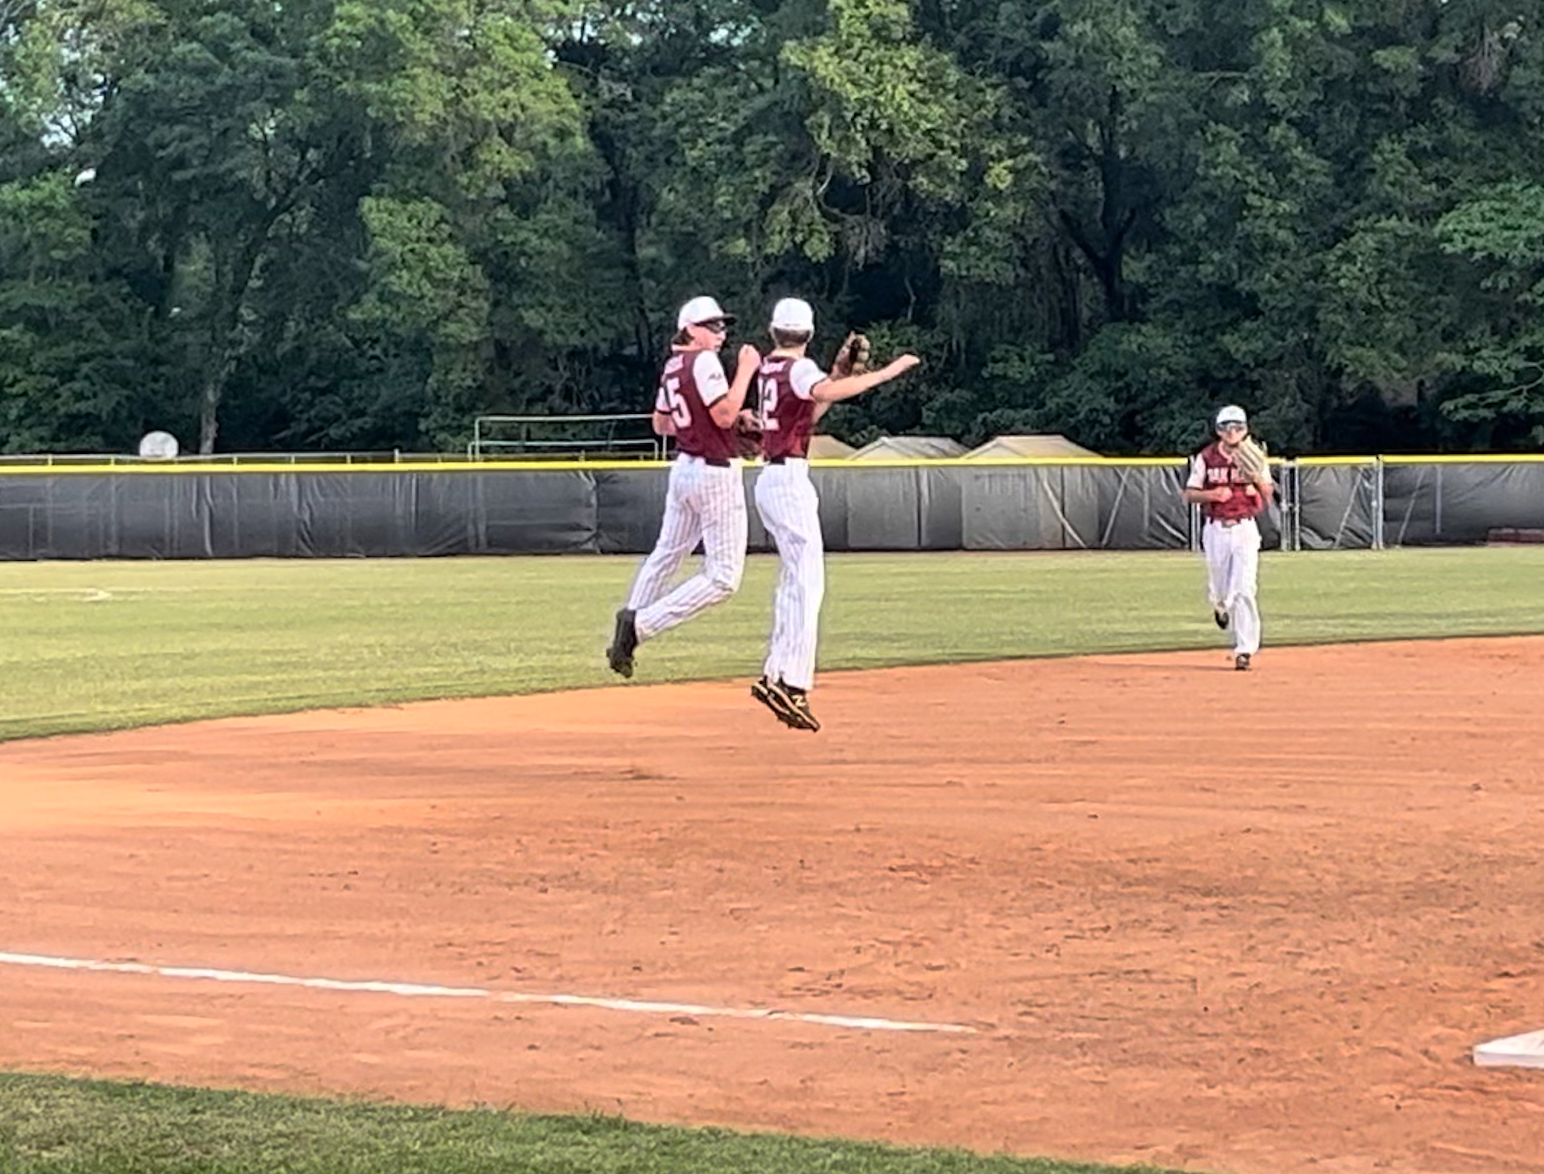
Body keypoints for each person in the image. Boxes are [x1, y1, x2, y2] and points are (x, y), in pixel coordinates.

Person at [746, 297, 921, 730]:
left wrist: (840, 373)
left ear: (774, 332)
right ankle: (792, 683)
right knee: (807, 582)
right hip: (787, 480)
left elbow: (808, 409)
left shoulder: (772, 368)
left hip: (773, 478)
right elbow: (821, 391)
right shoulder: (798, 369)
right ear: (807, 334)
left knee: (794, 581)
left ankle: (776, 674)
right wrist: (886, 372)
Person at [607, 296, 760, 678]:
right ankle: (640, 626)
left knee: (666, 555)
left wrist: (698, 424)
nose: (721, 333)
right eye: (713, 326)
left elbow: (661, 424)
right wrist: (746, 372)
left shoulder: (673, 365)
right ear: (690, 329)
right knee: (724, 578)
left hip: (685, 468)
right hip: (714, 473)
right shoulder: (703, 360)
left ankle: (624, 637)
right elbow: (723, 415)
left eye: (723, 326)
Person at [1182, 404, 1274, 670]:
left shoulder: (1254, 455)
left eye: (1238, 427)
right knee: (1222, 589)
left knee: (1245, 589)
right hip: (1216, 528)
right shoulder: (1207, 457)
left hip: (1245, 527)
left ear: (1245, 429)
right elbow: (1189, 493)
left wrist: (1255, 479)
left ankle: (1244, 650)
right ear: (1219, 430)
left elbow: (1268, 492)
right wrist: (1212, 495)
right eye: (1227, 427)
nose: (1233, 432)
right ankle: (1220, 606)